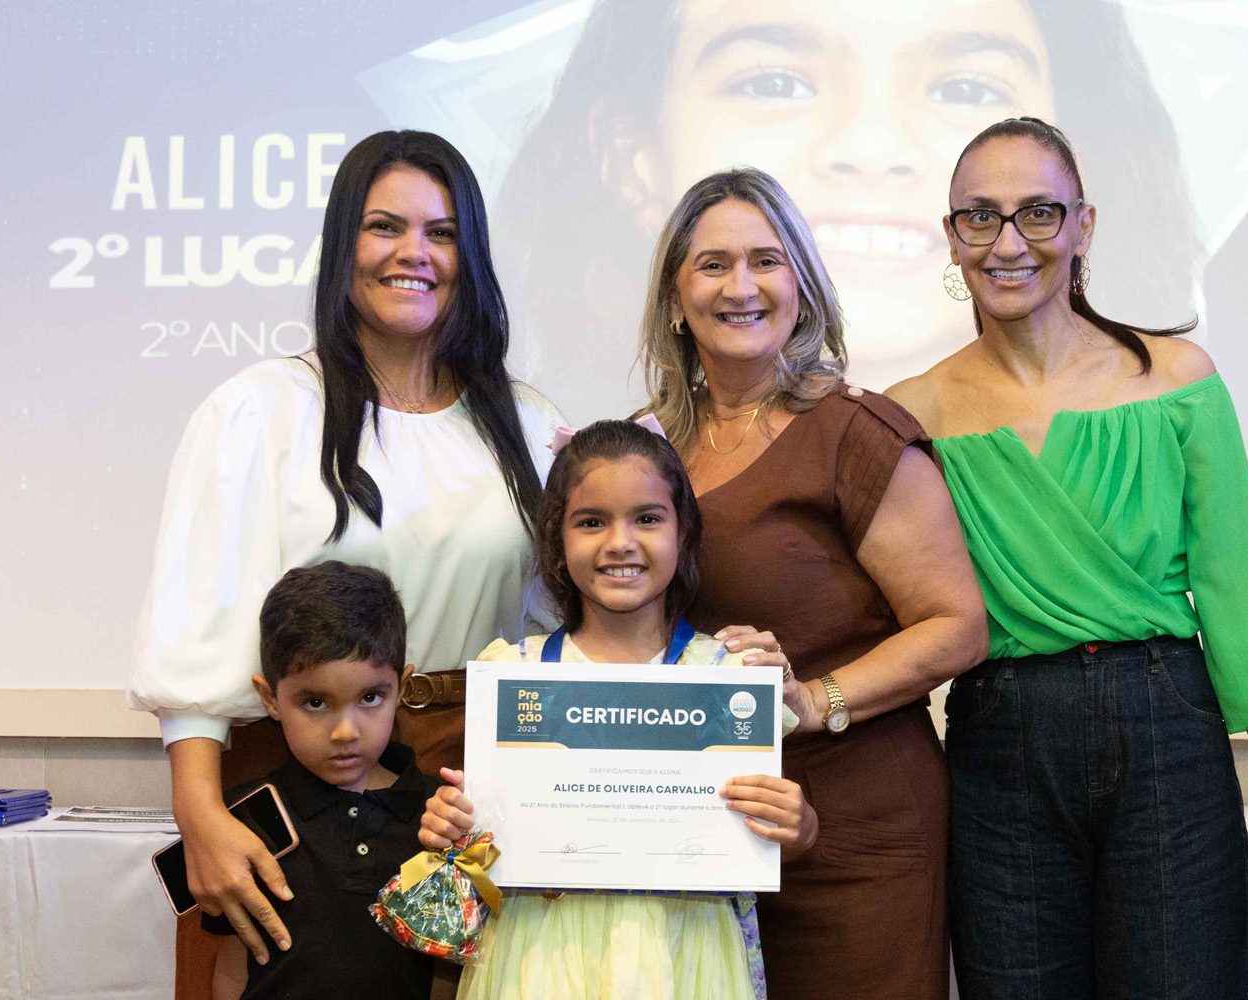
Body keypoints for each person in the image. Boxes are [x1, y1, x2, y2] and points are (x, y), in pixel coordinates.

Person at [886, 116, 1248, 998]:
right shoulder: (911, 414)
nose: (1008, 242)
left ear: (1083, 225)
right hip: (1000, 744)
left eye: (1038, 212)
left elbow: (1238, 599)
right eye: (980, 216)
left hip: (1167, 729)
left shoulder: (1177, 380)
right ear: (952, 234)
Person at [127, 130, 563, 992]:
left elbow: (566, 629)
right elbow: (197, 621)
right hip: (296, 780)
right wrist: (200, 812)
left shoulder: (527, 425)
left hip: (463, 790)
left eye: (442, 233)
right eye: (384, 227)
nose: (414, 253)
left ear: (471, 255)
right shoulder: (262, 410)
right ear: (342, 246)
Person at [485, 0, 1200, 410]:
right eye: (774, 83)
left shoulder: (1168, 387)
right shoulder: (601, 449)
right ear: (631, 157)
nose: (871, 145)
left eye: (965, 88)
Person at [636, 167, 987, 1000]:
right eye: (713, 264)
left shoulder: (854, 432)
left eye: (767, 260)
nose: (742, 286)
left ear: (802, 287)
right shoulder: (645, 449)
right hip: (697, 830)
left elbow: (958, 625)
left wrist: (812, 700)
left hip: (856, 838)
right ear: (676, 300)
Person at [420, 418, 817, 1000]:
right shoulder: (515, 671)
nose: (620, 543)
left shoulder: (729, 675)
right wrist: (453, 828)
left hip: (684, 954)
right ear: (557, 539)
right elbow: (482, 844)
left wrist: (797, 825)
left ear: (684, 533)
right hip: (538, 956)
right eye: (591, 522)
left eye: (647, 519)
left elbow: (778, 835)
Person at [204, 561, 436, 1000]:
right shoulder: (242, 821)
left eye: (371, 697)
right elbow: (232, 971)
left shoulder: (438, 817)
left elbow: (447, 975)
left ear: (402, 688)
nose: (345, 731)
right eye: (314, 703)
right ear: (270, 698)